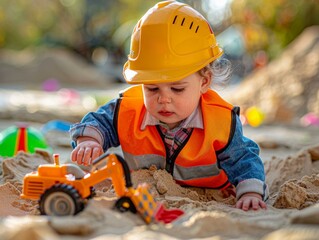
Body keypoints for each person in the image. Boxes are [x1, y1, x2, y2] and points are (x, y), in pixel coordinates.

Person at [69, 0, 268, 211]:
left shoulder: (221, 121)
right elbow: (100, 121)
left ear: (204, 81)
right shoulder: (128, 109)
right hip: (149, 194)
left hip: (210, 195)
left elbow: (244, 158)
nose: (164, 99)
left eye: (177, 89)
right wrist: (88, 140)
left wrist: (250, 192)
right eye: (152, 89)